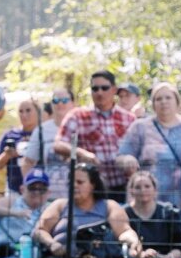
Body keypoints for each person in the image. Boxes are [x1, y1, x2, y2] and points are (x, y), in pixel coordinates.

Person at [55, 70, 135, 199]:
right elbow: (58, 145)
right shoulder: (78, 116)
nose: (99, 92)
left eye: (104, 88)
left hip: (123, 187)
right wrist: (81, 153)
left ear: (114, 90)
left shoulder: (129, 118)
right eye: (95, 88)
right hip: (91, 189)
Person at [115, 81, 181, 209]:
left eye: (168, 97)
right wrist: (127, 160)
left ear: (177, 101)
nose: (163, 102)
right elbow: (120, 157)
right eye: (158, 99)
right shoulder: (140, 127)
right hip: (146, 198)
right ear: (153, 104)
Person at [122, 169, 181, 258]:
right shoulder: (124, 214)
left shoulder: (169, 212)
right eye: (137, 187)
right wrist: (141, 254)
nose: (142, 190)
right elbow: (121, 246)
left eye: (147, 186)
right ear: (131, 191)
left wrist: (164, 257)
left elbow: (179, 249)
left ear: (155, 189)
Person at [22, 86, 75, 200]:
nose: (60, 104)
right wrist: (31, 188)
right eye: (55, 100)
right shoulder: (41, 130)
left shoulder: (82, 127)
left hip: (75, 196)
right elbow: (28, 162)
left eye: (64, 100)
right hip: (47, 196)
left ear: (73, 103)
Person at [0, 95, 38, 197]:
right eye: (21, 111)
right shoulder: (9, 134)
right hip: (14, 190)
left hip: (39, 189)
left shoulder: (43, 134)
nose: (24, 115)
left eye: (28, 110)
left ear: (37, 112)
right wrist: (7, 155)